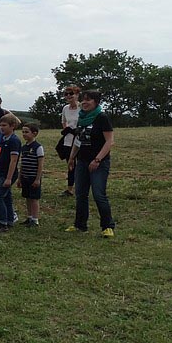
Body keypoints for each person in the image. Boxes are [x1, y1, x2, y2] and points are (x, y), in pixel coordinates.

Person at [66, 90, 116, 237]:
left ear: (96, 102)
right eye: (83, 100)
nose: (84, 103)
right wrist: (72, 157)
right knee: (80, 194)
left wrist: (97, 160)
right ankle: (80, 225)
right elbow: (79, 139)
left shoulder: (102, 118)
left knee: (99, 194)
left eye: (88, 100)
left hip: (99, 163)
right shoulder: (82, 118)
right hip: (82, 161)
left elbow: (109, 142)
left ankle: (107, 226)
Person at [0, 113, 21, 233]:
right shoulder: (4, 139)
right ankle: (9, 221)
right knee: (7, 198)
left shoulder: (14, 141)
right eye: (0, 125)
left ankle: (2, 223)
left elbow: (13, 160)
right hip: (1, 172)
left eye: (4, 125)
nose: (1, 128)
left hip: (7, 174)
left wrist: (9, 178)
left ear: (12, 126)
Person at [18, 122, 44, 226]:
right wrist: (20, 178)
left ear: (34, 133)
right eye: (23, 132)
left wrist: (38, 179)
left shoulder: (38, 147)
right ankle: (29, 217)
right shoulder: (24, 148)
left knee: (34, 198)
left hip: (33, 177)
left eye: (26, 132)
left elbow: (40, 165)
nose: (24, 134)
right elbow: (22, 164)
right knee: (27, 197)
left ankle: (35, 219)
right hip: (25, 176)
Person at [60, 85, 81, 196]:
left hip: (80, 140)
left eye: (71, 93)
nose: (68, 96)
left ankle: (81, 188)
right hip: (68, 140)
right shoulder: (65, 108)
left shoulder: (82, 107)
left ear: (77, 95)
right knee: (70, 164)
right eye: (66, 94)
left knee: (81, 164)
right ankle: (69, 189)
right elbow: (63, 121)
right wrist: (66, 129)